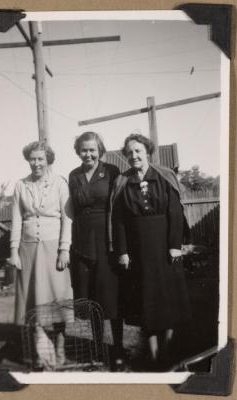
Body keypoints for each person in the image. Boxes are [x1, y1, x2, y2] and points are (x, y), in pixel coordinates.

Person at [110, 133, 191, 371]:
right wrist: (122, 251)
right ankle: (154, 355)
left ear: (147, 152)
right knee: (147, 302)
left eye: (138, 151)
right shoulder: (122, 182)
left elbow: (175, 213)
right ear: (125, 157)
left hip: (165, 248)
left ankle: (168, 351)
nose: (134, 156)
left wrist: (175, 246)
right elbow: (119, 221)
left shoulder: (165, 176)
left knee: (168, 300)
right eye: (129, 152)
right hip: (139, 251)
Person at [9, 140, 73, 369]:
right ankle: (41, 352)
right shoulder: (20, 185)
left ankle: (60, 345)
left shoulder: (60, 183)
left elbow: (68, 219)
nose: (36, 163)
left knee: (57, 299)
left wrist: (64, 248)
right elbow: (16, 219)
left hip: (53, 247)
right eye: (32, 159)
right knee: (33, 301)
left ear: (48, 160)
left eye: (40, 159)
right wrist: (13, 251)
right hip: (28, 248)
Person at [69, 131, 124, 370]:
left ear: (100, 149)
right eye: (84, 150)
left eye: (92, 149)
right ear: (78, 151)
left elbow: (120, 207)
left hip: (106, 242)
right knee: (92, 301)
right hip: (81, 243)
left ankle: (119, 350)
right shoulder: (73, 175)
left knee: (112, 298)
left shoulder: (112, 171)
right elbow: (71, 210)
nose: (88, 154)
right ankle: (97, 350)